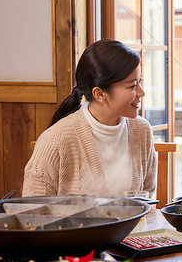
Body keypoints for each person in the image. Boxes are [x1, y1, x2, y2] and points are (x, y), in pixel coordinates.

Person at [23, 39, 157, 197]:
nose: (142, 93)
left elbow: (146, 199)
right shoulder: (55, 140)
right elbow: (32, 211)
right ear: (99, 94)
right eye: (132, 86)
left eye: (140, 82)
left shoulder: (142, 130)